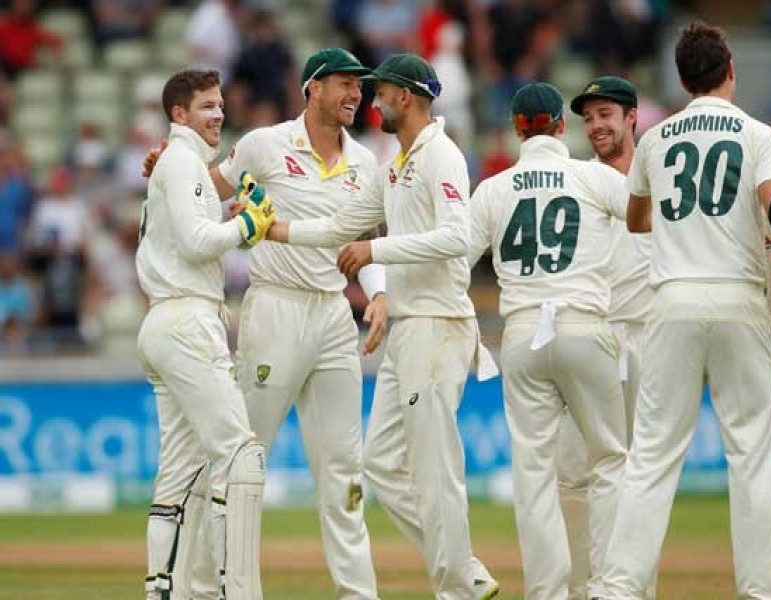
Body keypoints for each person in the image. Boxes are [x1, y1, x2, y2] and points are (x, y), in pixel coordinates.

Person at [593, 22, 771, 600]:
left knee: (650, 455)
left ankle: (617, 587)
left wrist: (683, 224)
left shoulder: (655, 137)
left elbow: (636, 217)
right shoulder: (757, 136)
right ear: (730, 71)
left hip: (670, 301)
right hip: (737, 299)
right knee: (751, 455)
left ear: (680, 79)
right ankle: (757, 591)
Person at [143, 48, 388, 599]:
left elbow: (365, 239)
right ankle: (204, 588)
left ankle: (359, 594)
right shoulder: (264, 145)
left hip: (332, 314)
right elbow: (203, 192)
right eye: (345, 84)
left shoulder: (366, 161)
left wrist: (378, 295)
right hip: (275, 308)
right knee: (237, 461)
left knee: (345, 473)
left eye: (359, 86)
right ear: (313, 88)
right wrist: (168, 162)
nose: (356, 94)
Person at [266, 52, 500, 600]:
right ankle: (464, 571)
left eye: (382, 92)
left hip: (438, 325)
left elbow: (456, 239)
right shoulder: (396, 163)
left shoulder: (441, 155)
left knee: (435, 469)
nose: (372, 101)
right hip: (409, 331)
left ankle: (458, 589)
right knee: (381, 463)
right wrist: (273, 231)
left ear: (407, 97)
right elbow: (342, 224)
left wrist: (378, 248)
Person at [466, 81, 627, 599]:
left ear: (517, 129)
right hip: (584, 323)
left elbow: (456, 257)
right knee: (609, 461)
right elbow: (651, 217)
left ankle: (547, 592)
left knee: (534, 473)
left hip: (522, 333)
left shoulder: (494, 188)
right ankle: (606, 585)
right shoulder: (593, 176)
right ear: (562, 125)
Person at [136, 68, 274, 600]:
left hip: (163, 322)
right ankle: (235, 591)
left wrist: (228, 213)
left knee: (178, 475)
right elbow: (197, 243)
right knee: (240, 456)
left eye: (220, 105)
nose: (218, 114)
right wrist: (247, 226)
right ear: (179, 114)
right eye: (206, 107)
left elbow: (184, 231)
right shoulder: (184, 161)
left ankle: (161, 591)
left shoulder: (174, 165)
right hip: (190, 322)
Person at [556, 75, 654, 600]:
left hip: (645, 335)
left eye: (605, 115)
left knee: (639, 474)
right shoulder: (576, 180)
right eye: (588, 117)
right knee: (572, 471)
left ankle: (632, 589)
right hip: (589, 333)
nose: (595, 126)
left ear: (632, 116)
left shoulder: (657, 174)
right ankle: (582, 588)